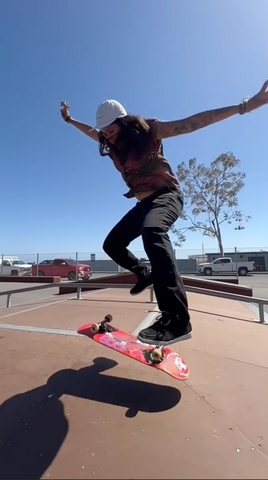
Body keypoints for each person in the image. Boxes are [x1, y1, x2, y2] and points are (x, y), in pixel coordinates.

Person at [60, 80, 268, 345]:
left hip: (168, 196)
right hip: (143, 204)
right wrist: (69, 120)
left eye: (111, 131)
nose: (108, 137)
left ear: (123, 123)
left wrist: (245, 106)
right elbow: (91, 131)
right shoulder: (107, 139)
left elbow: (192, 122)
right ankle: (144, 273)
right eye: (105, 133)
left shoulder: (149, 130)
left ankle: (177, 319)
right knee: (112, 243)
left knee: (152, 232)